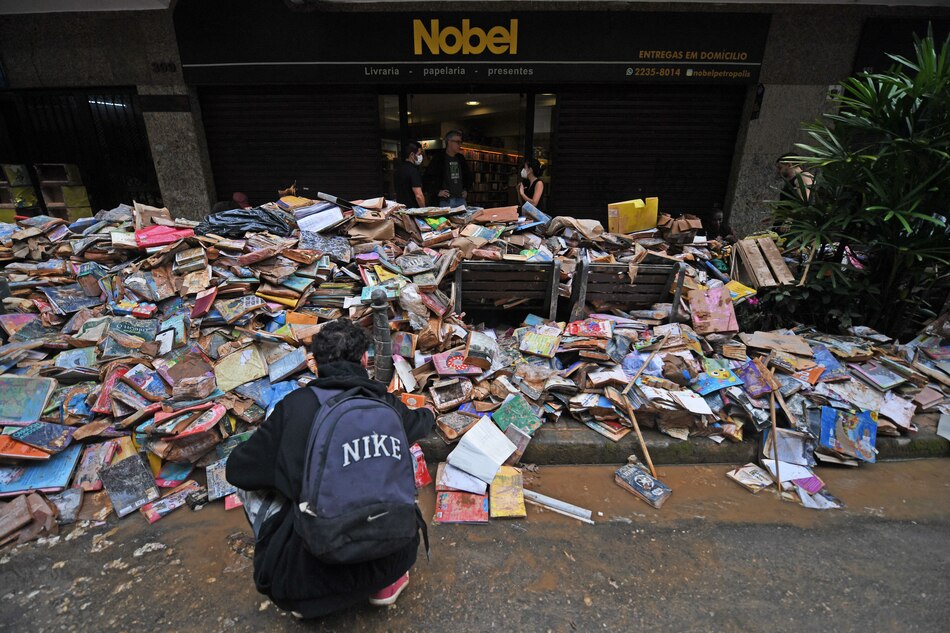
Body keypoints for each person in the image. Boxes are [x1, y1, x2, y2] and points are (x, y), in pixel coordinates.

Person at [225, 319, 435, 618]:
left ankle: (300, 585)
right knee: (400, 464)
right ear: (364, 360)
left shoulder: (295, 407)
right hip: (394, 555)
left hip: (311, 580)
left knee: (257, 486)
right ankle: (385, 585)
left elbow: (238, 471)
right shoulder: (385, 404)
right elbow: (419, 423)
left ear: (315, 364)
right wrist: (428, 413)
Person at [424, 129, 472, 208]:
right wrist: (437, 192)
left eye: (460, 142)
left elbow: (468, 175)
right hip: (445, 201)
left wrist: (466, 189)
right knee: (445, 220)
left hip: (460, 199)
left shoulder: (460, 158)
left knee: (463, 219)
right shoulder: (439, 158)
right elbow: (428, 177)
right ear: (449, 142)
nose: (459, 145)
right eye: (457, 142)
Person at [394, 141, 426, 208]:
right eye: (419, 154)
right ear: (412, 155)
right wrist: (424, 210)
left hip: (401, 210)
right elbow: (418, 196)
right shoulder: (413, 171)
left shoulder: (398, 170)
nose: (421, 156)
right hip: (413, 211)